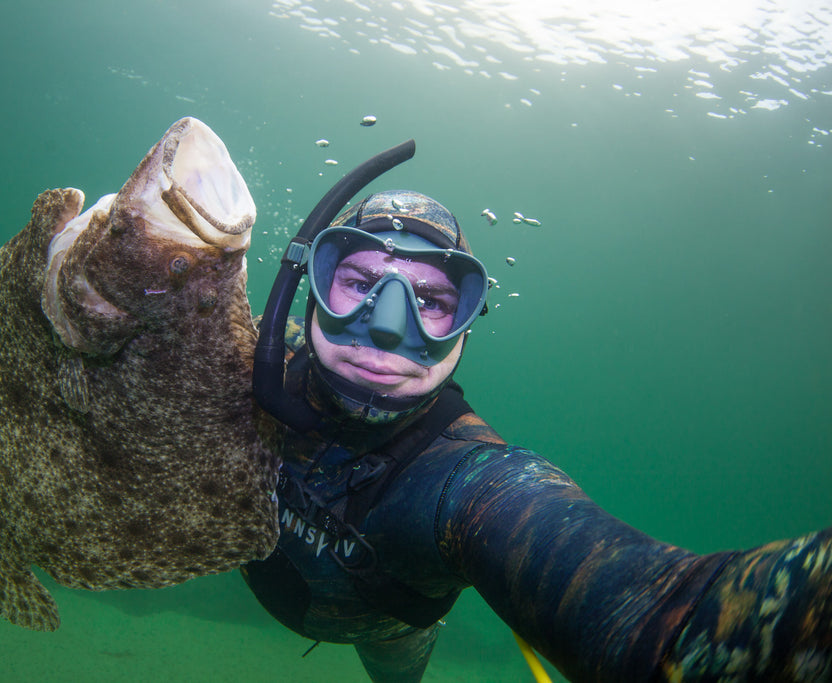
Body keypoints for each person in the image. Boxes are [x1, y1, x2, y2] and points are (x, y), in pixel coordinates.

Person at [242, 188, 832, 682]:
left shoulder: (470, 483)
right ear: (311, 286)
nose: (388, 326)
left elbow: (668, 621)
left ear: (466, 327)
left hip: (388, 630)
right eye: (359, 280)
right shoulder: (232, 357)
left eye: (431, 299)